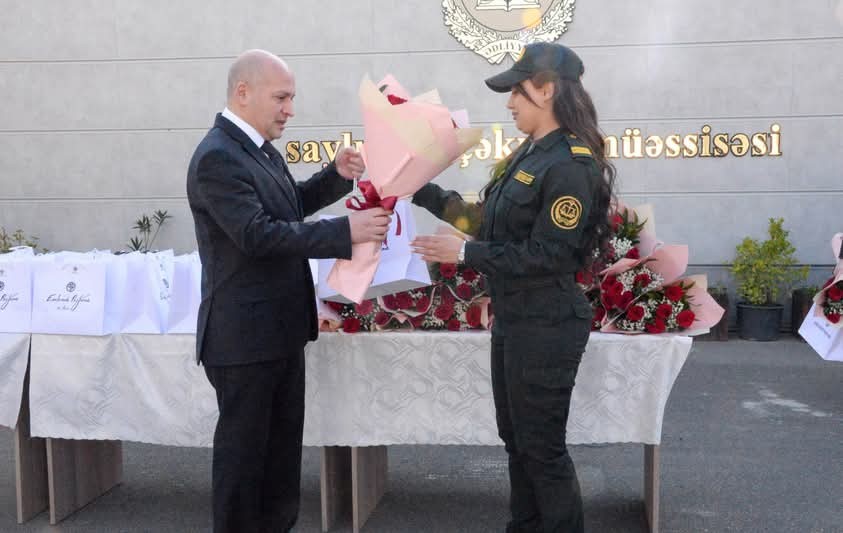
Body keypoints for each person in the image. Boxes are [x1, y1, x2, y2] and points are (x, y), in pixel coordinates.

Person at [411, 42, 615, 533]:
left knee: (541, 449)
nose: (509, 103)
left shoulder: (569, 163)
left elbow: (551, 254)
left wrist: (462, 254)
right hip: (517, 320)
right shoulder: (530, 153)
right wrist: (419, 187)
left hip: (547, 323)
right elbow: (491, 223)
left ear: (547, 90)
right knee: (517, 442)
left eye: (517, 93)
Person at [186, 49, 391, 533]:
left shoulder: (255, 149)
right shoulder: (217, 156)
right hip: (243, 342)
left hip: (278, 333)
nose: (289, 109)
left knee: (278, 470)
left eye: (291, 98)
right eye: (281, 97)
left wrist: (336, 175)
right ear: (243, 92)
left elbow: (289, 206)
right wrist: (348, 232)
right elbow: (257, 235)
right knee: (244, 471)